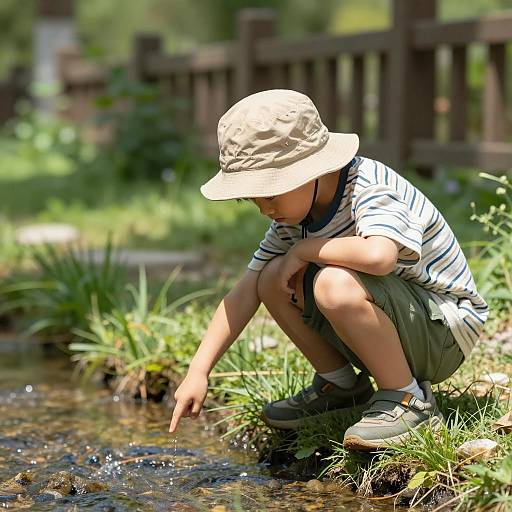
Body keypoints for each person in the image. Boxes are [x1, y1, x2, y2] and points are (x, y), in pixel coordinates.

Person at [168, 89, 489, 450]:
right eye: (253, 199)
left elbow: (381, 256)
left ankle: (408, 400)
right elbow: (245, 290)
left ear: (310, 171)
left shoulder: (370, 187)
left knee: (332, 284)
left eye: (270, 195)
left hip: (442, 331)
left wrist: (306, 249)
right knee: (271, 278)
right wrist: (199, 369)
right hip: (396, 324)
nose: (264, 210)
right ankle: (341, 387)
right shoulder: (294, 214)